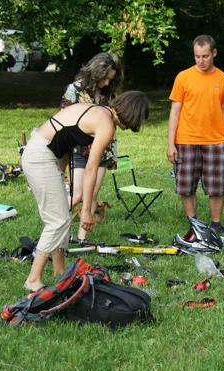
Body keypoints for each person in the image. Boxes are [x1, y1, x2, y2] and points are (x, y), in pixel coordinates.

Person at [23, 91, 149, 291]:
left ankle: (60, 271)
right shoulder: (106, 125)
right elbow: (91, 168)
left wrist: (59, 174)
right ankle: (33, 280)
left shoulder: (96, 110)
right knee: (57, 221)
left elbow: (63, 138)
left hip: (41, 152)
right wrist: (87, 211)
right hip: (41, 158)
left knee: (62, 215)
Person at [167, 34, 224, 235]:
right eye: (197, 56)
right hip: (186, 140)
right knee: (186, 186)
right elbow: (175, 112)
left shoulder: (223, 78)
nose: (201, 61)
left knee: (217, 186)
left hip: (216, 142)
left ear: (214, 53)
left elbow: (223, 110)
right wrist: (171, 144)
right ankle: (194, 224)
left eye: (205, 56)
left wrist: (223, 137)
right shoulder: (183, 77)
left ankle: (216, 225)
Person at [61, 53, 124, 240]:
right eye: (104, 78)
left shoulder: (110, 93)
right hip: (78, 149)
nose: (107, 83)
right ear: (94, 73)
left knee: (93, 194)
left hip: (103, 149)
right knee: (77, 194)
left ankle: (82, 239)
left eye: (110, 79)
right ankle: (56, 229)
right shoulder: (74, 89)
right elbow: (63, 119)